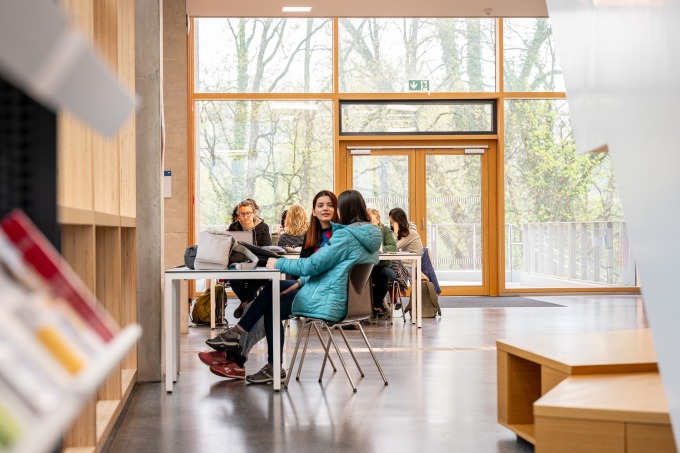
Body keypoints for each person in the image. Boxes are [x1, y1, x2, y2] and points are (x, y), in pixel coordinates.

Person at [205, 190, 382, 384]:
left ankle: (241, 350)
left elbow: (313, 266)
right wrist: (300, 281)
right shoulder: (367, 236)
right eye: (321, 205)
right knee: (271, 291)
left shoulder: (345, 237)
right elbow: (326, 270)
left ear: (344, 209)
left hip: (328, 298)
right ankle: (237, 346)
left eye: (334, 205)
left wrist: (278, 264)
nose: (329, 209)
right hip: (339, 296)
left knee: (271, 305)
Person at [227, 199, 272, 319]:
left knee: (255, 279)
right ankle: (247, 303)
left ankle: (245, 305)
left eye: (248, 213)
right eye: (242, 213)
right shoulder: (234, 227)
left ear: (254, 213)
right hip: (239, 261)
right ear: (238, 214)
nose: (245, 216)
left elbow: (266, 247)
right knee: (233, 277)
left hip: (258, 261)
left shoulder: (263, 227)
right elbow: (229, 245)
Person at [367, 208, 397, 315]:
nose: (370, 225)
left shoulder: (385, 231)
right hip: (367, 268)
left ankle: (376, 307)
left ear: (378, 221)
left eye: (373, 222)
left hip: (384, 266)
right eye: (368, 222)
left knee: (383, 275)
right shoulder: (363, 232)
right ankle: (369, 307)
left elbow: (393, 247)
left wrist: (380, 249)